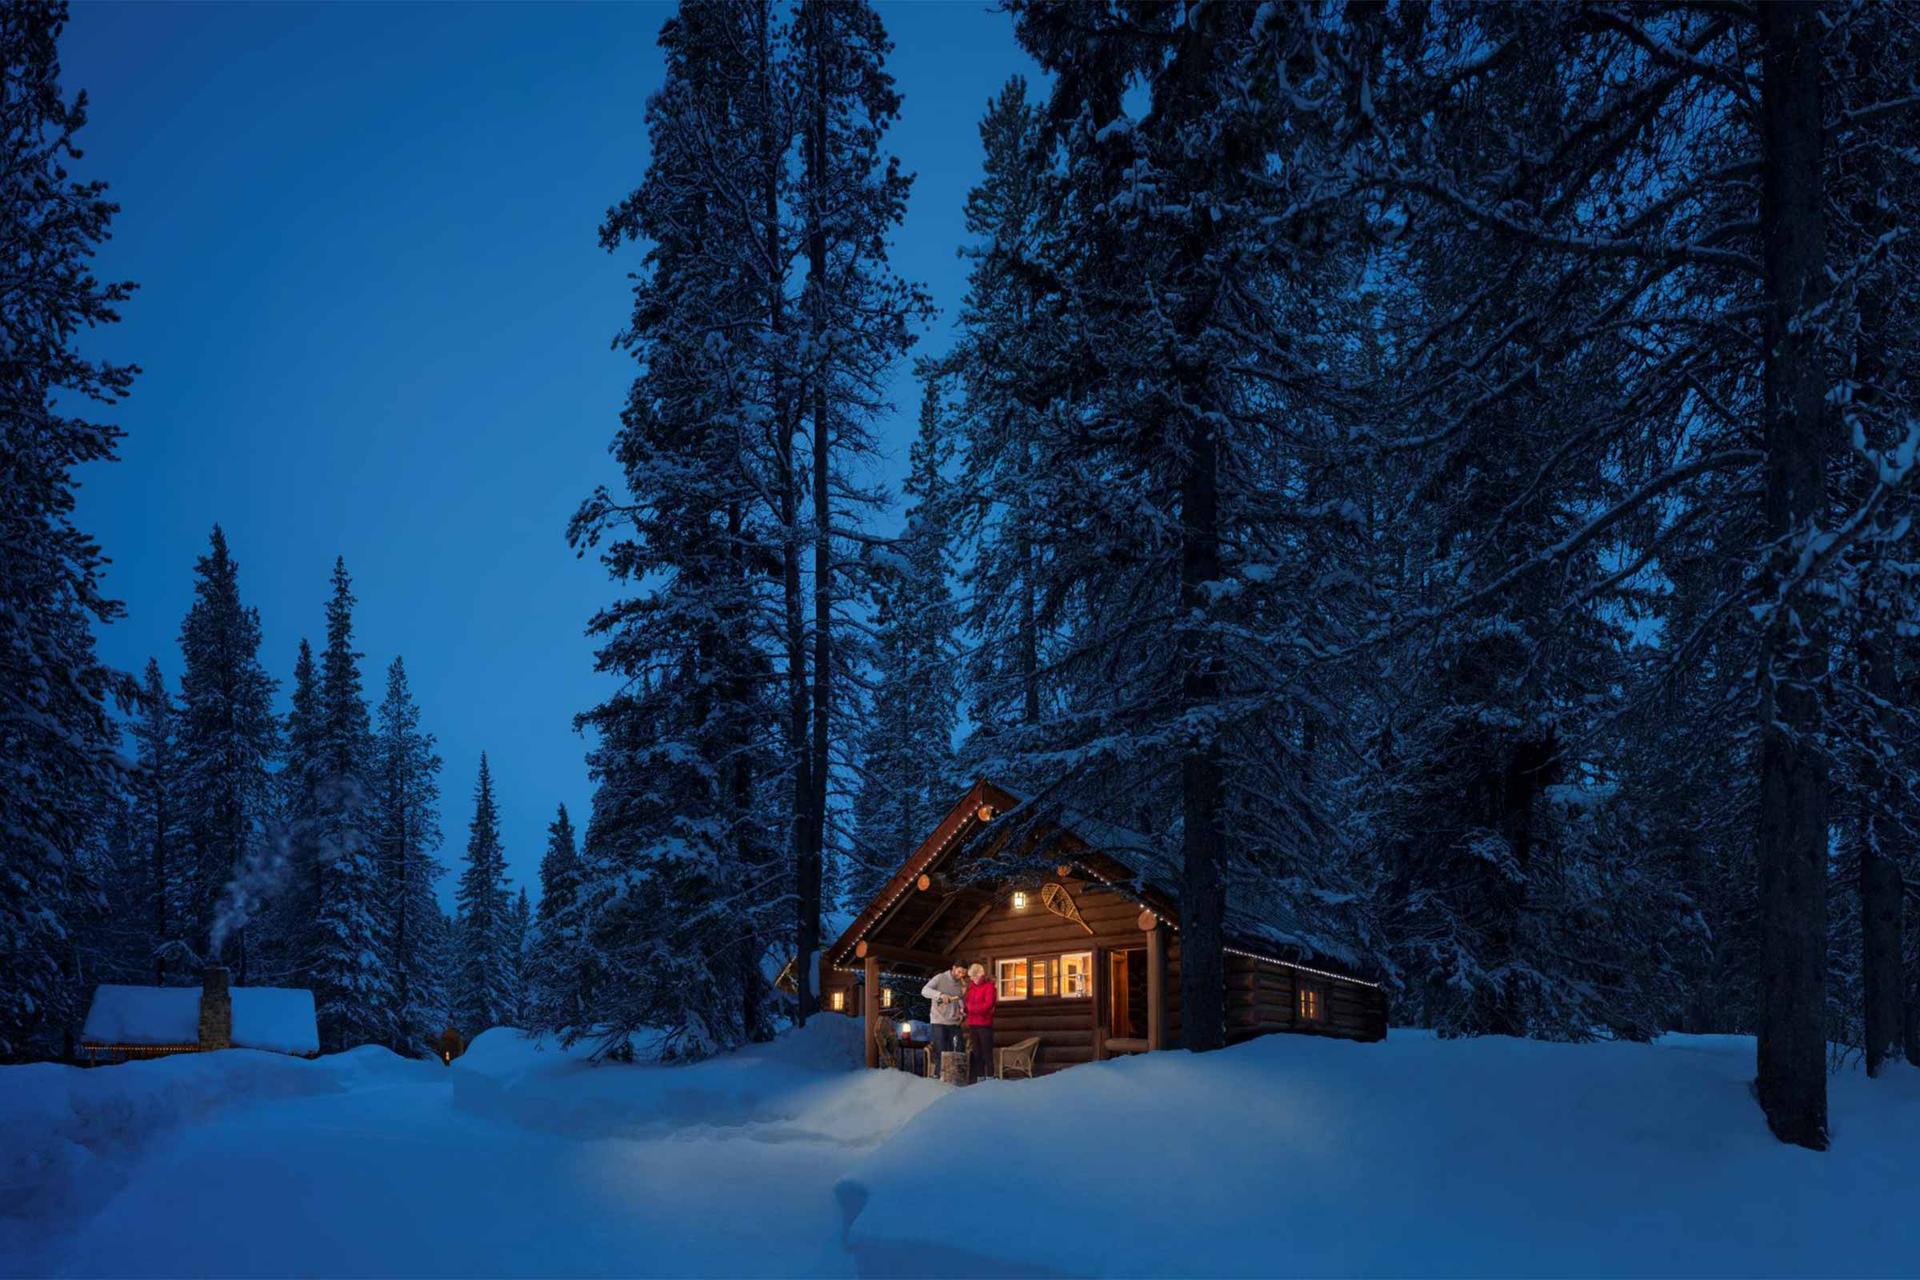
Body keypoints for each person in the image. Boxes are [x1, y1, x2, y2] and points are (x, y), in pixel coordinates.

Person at [920, 962, 967, 1067]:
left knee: (958, 1051)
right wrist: (940, 995)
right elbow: (924, 991)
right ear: (953, 968)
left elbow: (960, 1000)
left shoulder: (961, 984)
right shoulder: (940, 978)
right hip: (939, 1022)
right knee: (941, 1051)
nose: (961, 975)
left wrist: (962, 1010)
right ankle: (939, 1077)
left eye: (963, 973)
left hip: (954, 1023)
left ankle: (956, 1078)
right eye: (959, 972)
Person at [964, 962, 998, 1082]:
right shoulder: (971, 988)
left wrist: (972, 1008)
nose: (972, 979)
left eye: (974, 976)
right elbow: (966, 1003)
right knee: (977, 1053)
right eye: (971, 977)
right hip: (973, 1024)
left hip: (984, 1025)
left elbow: (988, 1005)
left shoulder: (989, 987)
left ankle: (990, 1077)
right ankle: (980, 1077)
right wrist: (965, 1008)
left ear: (980, 975)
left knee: (987, 1053)